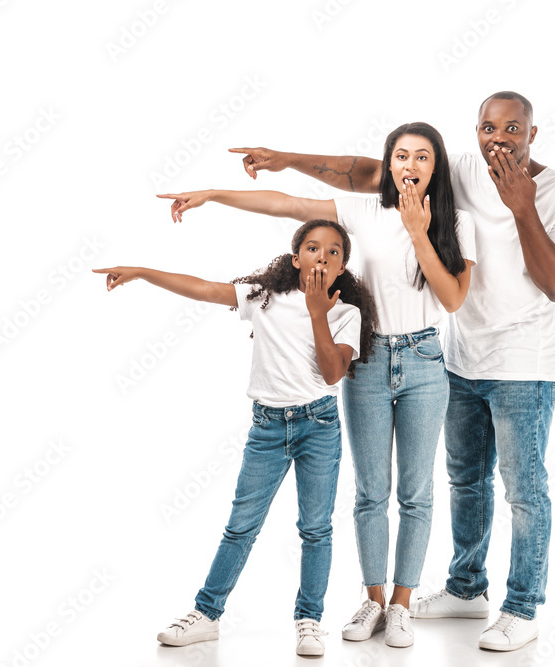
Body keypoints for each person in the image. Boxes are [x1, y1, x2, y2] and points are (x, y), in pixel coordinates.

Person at [227, 91, 555, 652]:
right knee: (462, 481)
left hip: (523, 364)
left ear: (532, 134)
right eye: (490, 128)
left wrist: (522, 206)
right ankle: (466, 588)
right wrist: (287, 157)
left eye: (513, 129)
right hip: (460, 358)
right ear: (475, 132)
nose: (500, 139)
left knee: (523, 489)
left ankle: (523, 606)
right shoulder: (460, 172)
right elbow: (366, 172)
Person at [158, 122, 476, 648]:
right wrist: (214, 195)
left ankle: (401, 604)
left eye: (422, 157)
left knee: (415, 494)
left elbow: (452, 301)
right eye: (401, 156)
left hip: (423, 359)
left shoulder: (454, 222)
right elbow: (285, 205)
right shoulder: (361, 211)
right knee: (371, 492)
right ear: (389, 162)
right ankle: (372, 601)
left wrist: (420, 232)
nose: (410, 166)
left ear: (435, 166)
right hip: (367, 360)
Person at [95, 219, 376, 657]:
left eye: (334, 251)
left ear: (342, 266)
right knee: (241, 526)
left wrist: (319, 313)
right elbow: (204, 288)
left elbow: (331, 373)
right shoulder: (264, 297)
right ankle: (207, 614)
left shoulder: (345, 313)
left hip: (318, 427)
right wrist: (143, 272)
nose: (323, 255)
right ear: (296, 255)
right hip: (267, 428)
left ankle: (309, 619)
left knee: (315, 528)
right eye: (313, 247)